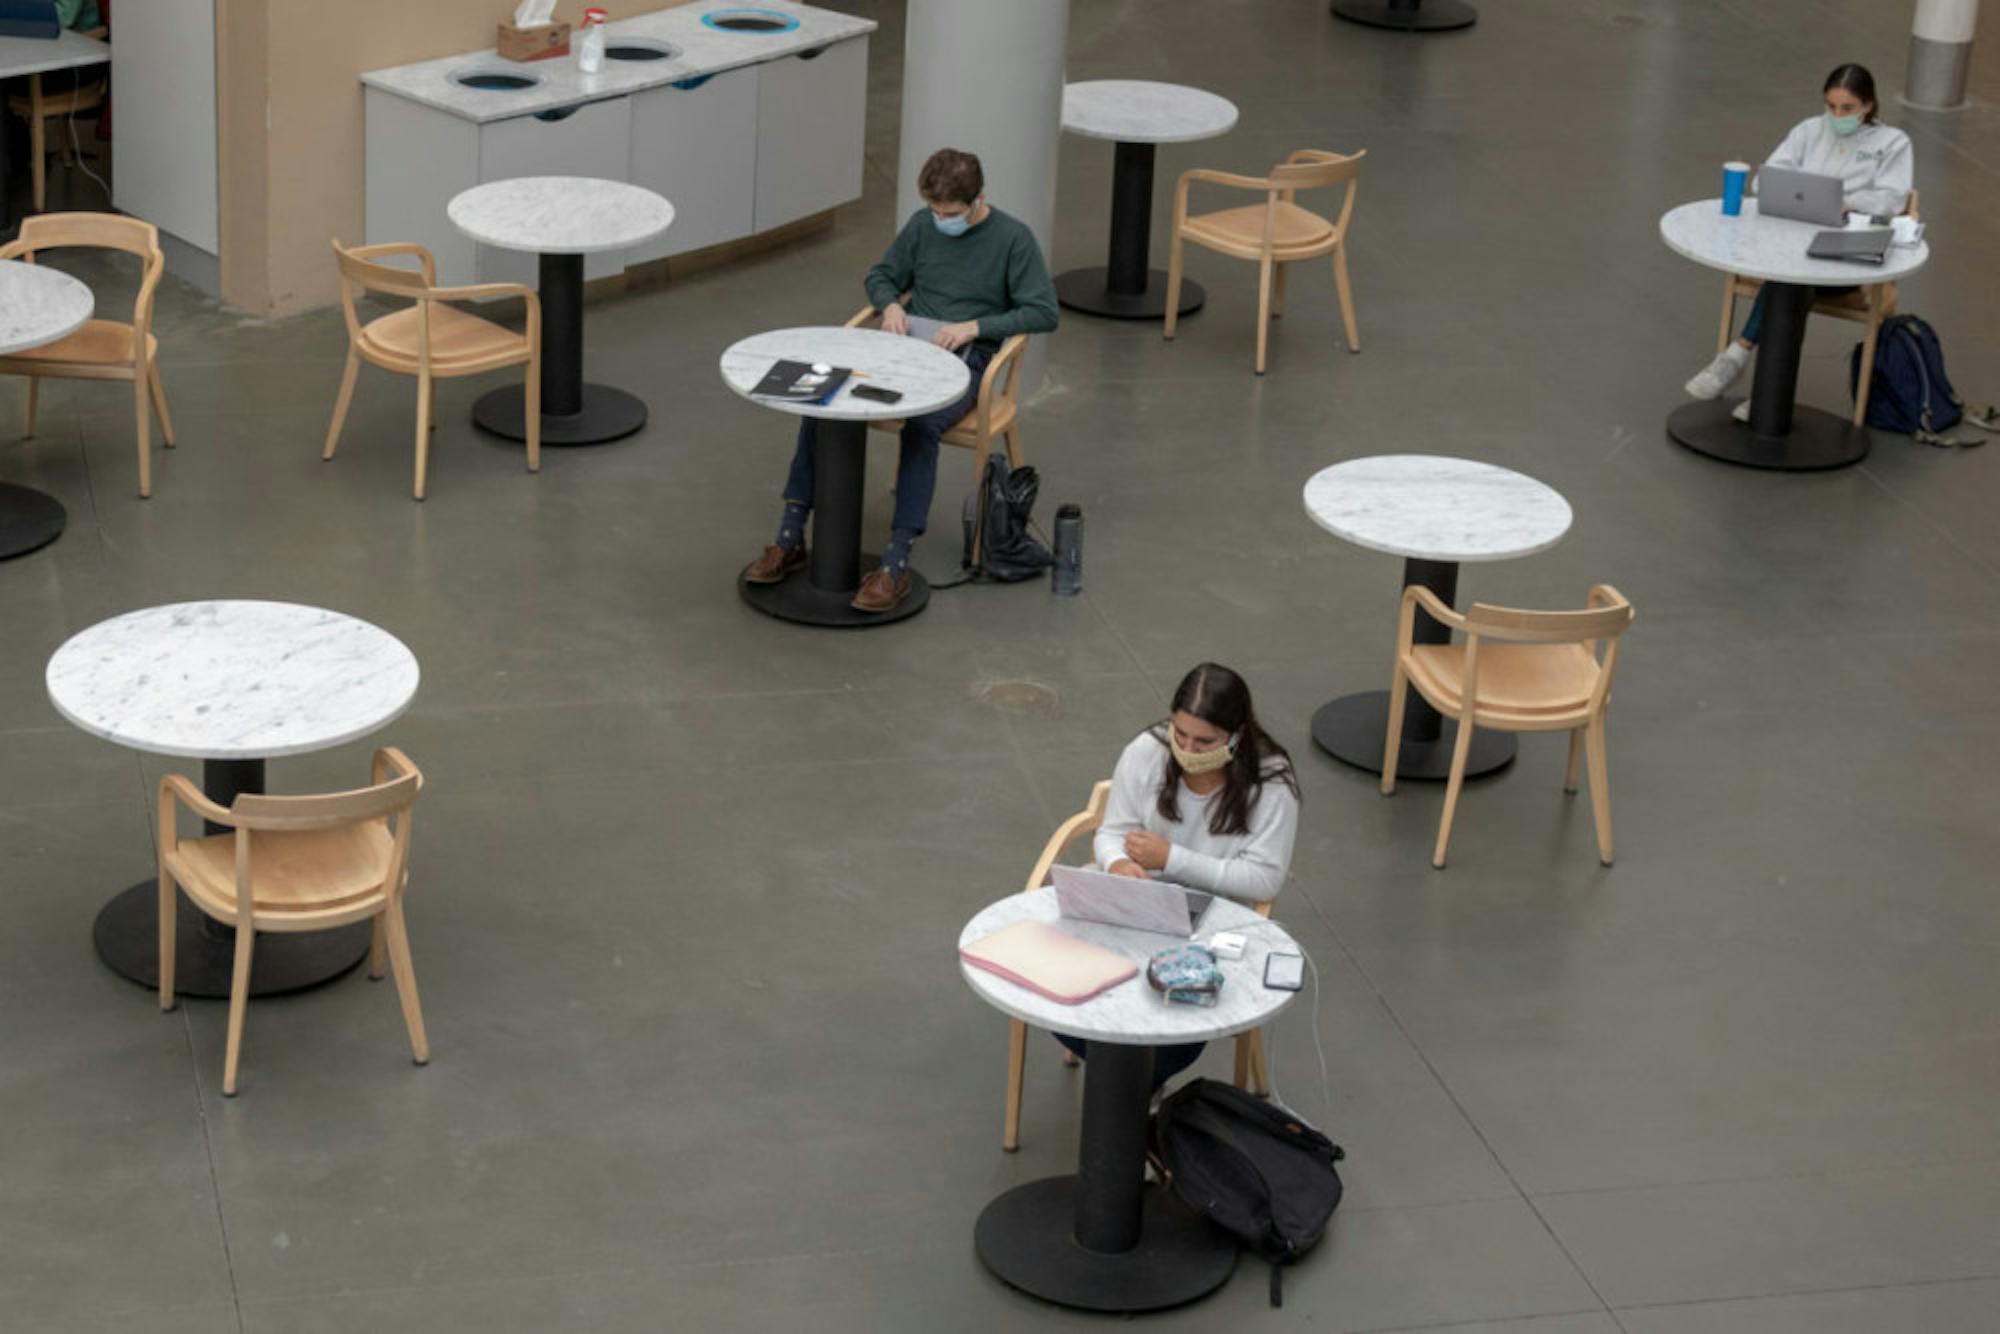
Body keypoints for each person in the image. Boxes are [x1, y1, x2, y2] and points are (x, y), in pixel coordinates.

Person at [742, 148, 1058, 614]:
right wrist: (890, 304)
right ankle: (790, 538)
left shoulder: (1013, 240)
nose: (939, 220)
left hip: (967, 361)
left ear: (977, 201)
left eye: (949, 213)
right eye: (933, 210)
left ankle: (895, 562)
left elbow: (1043, 311)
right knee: (821, 402)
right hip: (906, 347)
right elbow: (883, 275)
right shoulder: (922, 225)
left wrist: (975, 327)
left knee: (923, 425)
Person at [1056, 663, 1302, 1089]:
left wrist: (1172, 858)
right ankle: (1126, 1081)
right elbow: (1113, 831)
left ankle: (1126, 1085)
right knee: (1062, 986)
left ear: (1238, 734)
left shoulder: (1272, 783)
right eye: (1180, 733)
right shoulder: (1147, 750)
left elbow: (1264, 880)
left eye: (1205, 741)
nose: (1188, 748)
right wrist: (1118, 865)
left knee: (1173, 1027)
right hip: (1138, 898)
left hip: (1212, 917)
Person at [1685, 63, 1913, 419]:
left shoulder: (1893, 143)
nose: (1837, 115)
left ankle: (1740, 356)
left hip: (1848, 254)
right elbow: (1768, 179)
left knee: (1790, 280)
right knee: (1791, 277)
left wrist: (1849, 203)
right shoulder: (1809, 130)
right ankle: (1767, 397)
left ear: (1868, 105)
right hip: (1794, 243)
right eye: (1831, 106)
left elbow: (1894, 199)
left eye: (1847, 108)